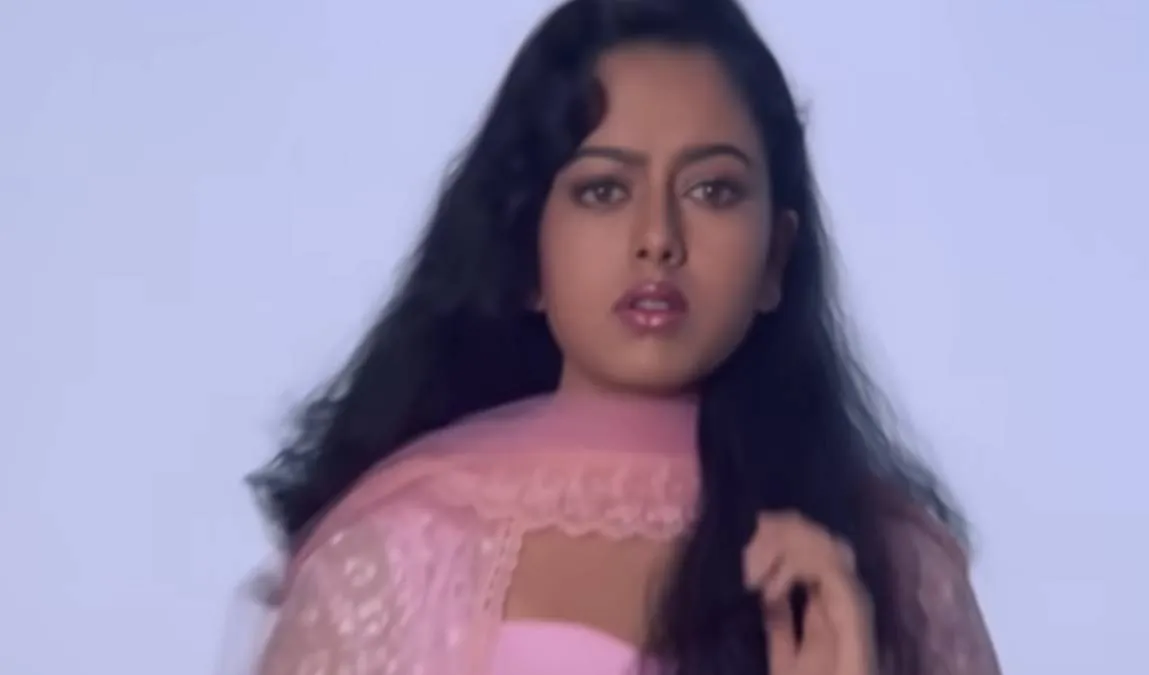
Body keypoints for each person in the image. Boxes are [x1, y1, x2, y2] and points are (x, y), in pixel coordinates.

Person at [248, 0, 1002, 673]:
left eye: (712, 190)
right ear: (526, 252)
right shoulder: (397, 550)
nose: (658, 238)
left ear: (775, 257)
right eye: (603, 189)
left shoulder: (891, 571)